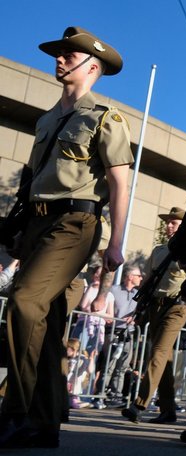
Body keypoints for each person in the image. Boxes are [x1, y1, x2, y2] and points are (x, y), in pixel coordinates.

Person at [0, 26, 131, 448]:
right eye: (58, 54)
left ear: (92, 67)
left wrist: (117, 244)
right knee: (49, 320)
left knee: (24, 302)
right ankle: (45, 423)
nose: (60, 60)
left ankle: (14, 411)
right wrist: (19, 229)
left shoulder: (105, 118)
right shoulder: (46, 120)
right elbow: (32, 181)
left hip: (75, 224)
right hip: (38, 223)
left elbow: (120, 183)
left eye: (69, 56)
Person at [122, 207, 186, 424]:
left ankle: (139, 404)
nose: (169, 226)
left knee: (158, 354)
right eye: (168, 222)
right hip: (155, 306)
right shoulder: (159, 251)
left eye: (174, 223)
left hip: (176, 307)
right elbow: (148, 280)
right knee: (164, 359)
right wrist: (140, 306)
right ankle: (168, 410)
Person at [96, 264, 141, 404]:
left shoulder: (137, 294)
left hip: (129, 334)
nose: (141, 278)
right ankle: (101, 395)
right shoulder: (113, 290)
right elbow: (103, 308)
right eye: (139, 275)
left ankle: (116, 396)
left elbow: (141, 313)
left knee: (122, 367)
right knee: (109, 364)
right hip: (113, 332)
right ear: (130, 277)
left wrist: (135, 318)